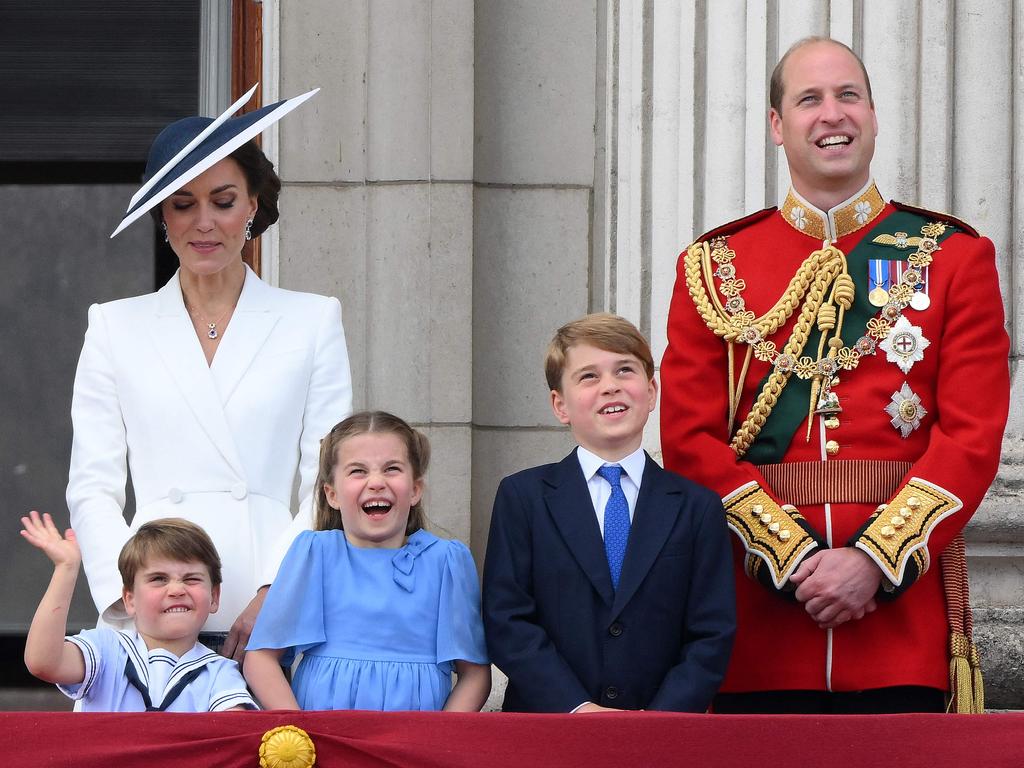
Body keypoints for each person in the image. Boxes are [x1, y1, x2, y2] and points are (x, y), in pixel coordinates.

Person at [660, 37, 1010, 713]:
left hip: (898, 629)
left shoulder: (954, 258)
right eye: (809, 99)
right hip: (758, 632)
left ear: (874, 116)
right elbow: (689, 441)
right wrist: (792, 561)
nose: (832, 115)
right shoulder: (713, 266)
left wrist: (874, 562)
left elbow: (971, 438)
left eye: (848, 95)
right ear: (776, 124)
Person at [66, 85, 353, 660]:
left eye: (222, 201)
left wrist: (278, 588)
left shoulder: (312, 319)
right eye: (182, 203)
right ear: (160, 215)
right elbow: (92, 487)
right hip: (148, 606)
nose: (204, 223)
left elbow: (330, 477)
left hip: (268, 603)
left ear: (252, 206)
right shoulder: (114, 326)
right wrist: (131, 597)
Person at [483, 313, 735, 713]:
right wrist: (577, 708)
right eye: (589, 377)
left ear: (651, 392)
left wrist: (657, 721)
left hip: (660, 733)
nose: (610, 386)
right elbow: (507, 619)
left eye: (625, 370)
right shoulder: (524, 497)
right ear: (560, 405)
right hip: (548, 727)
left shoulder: (696, 506)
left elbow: (711, 632)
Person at [243, 411, 491, 711]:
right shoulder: (314, 554)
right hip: (325, 742)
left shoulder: (446, 562)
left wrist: (438, 744)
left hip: (414, 748)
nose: (376, 482)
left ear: (415, 490)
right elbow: (261, 658)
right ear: (331, 494)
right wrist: (299, 731)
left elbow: (474, 673)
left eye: (392, 469)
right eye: (358, 471)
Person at [22, 512, 256, 712]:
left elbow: (230, 737)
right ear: (129, 599)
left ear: (214, 597)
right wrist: (66, 568)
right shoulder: (106, 649)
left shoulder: (220, 672)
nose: (176, 589)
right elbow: (43, 662)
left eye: (191, 579)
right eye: (158, 579)